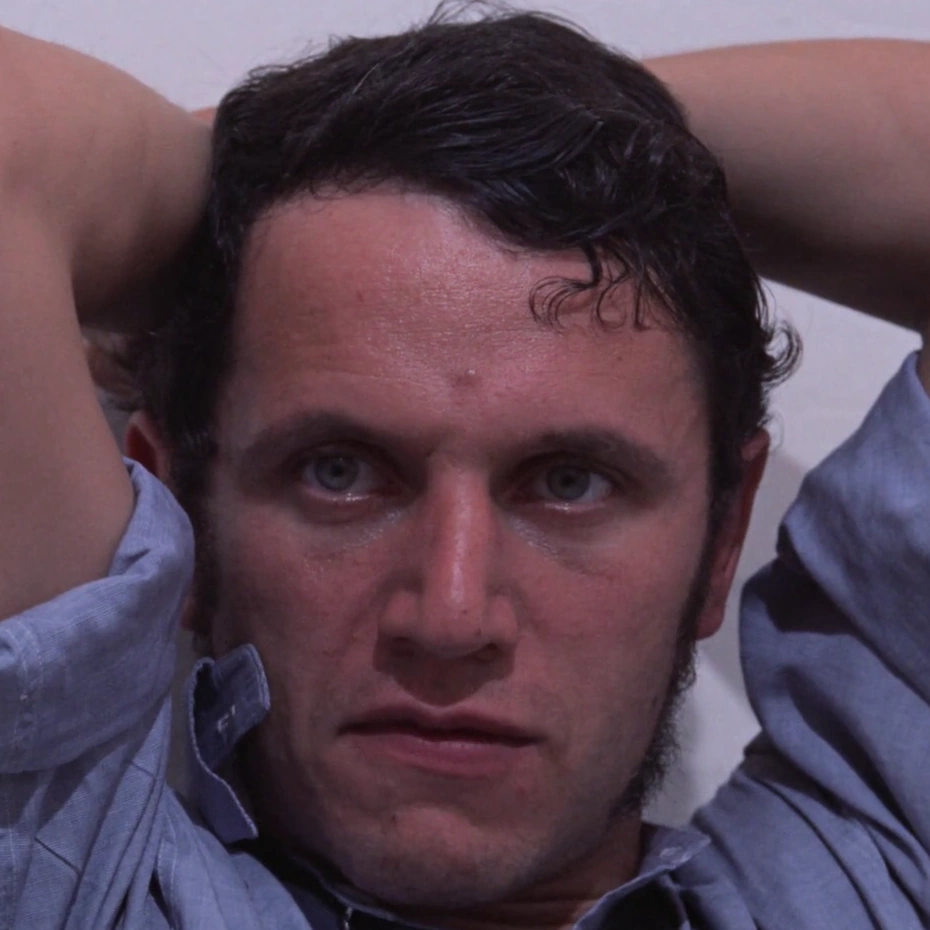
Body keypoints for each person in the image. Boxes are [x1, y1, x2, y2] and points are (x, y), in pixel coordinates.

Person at [0, 8, 927, 930]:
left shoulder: (860, 883)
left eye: (569, 484)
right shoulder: (69, 889)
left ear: (721, 541)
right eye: (338, 473)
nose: (450, 618)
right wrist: (265, 179)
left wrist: (573, 125)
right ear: (179, 515)